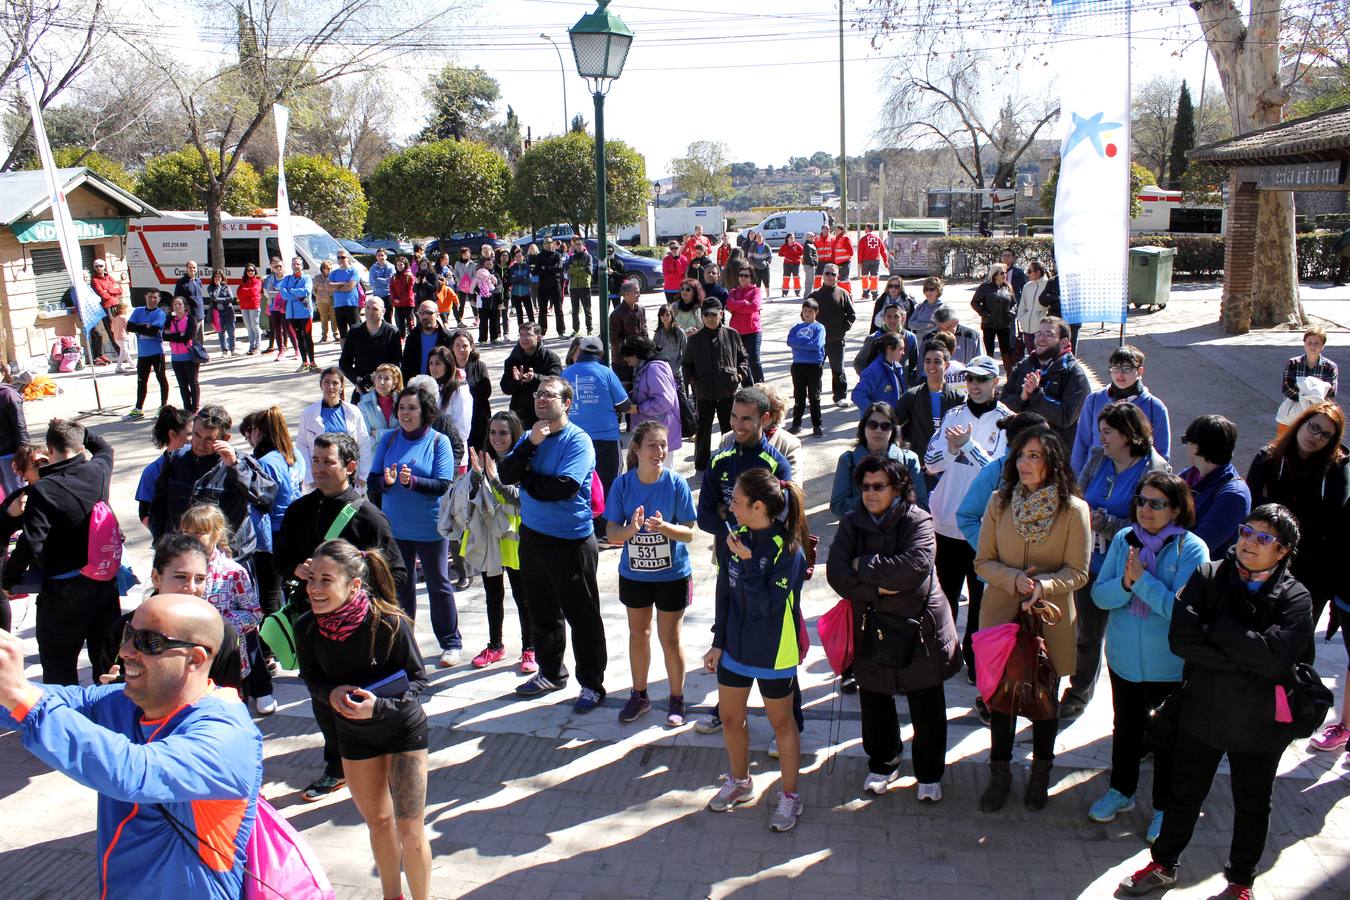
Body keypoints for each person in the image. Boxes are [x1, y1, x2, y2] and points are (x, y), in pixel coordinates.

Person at [0, 592, 263, 899]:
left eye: (148, 641)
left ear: (195, 659)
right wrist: (11, 689)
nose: (124, 651)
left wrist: (21, 696)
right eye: (128, 634)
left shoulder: (228, 735)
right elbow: (45, 702)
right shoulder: (127, 702)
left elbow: (134, 772)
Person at [1117, 505, 1313, 900]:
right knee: (1183, 795)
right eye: (1246, 531)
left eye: (1264, 538)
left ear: (1284, 551)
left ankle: (1241, 882)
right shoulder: (1208, 576)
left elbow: (1278, 659)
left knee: (1253, 804)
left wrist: (1218, 628)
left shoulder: (1296, 598)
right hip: (1201, 711)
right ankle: (1162, 864)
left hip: (1260, 724)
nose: (1249, 542)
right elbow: (1183, 641)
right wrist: (1249, 653)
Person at [294, 540, 431, 900]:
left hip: (403, 732)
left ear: (354, 585)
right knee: (379, 822)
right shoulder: (307, 627)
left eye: (326, 580)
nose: (315, 589)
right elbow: (311, 677)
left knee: (411, 829)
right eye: (312, 579)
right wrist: (331, 693)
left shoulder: (387, 621)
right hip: (353, 736)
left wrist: (378, 707)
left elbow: (419, 681)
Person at [276, 431, 405, 801]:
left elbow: (395, 574)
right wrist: (296, 570)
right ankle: (336, 768)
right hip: (312, 626)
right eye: (315, 461)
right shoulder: (301, 510)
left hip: (357, 632)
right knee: (321, 697)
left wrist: (353, 590)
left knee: (357, 699)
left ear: (350, 467)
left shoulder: (368, 517)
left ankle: (374, 765)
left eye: (327, 461)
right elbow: (280, 559)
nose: (318, 469)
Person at [826, 455, 960, 800]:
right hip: (872, 626)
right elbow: (838, 574)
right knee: (874, 698)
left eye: (878, 486)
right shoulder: (852, 522)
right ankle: (883, 762)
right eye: (865, 486)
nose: (870, 493)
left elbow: (914, 569)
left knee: (926, 703)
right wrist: (879, 588)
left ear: (898, 488)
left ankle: (930, 774)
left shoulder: (919, 521)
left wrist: (864, 565)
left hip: (920, 629)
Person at [973, 428, 1091, 812]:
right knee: (1002, 701)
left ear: (1052, 462)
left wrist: (1043, 585)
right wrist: (1015, 580)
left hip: (1049, 619)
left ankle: (1041, 773)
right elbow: (983, 562)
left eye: (1036, 456)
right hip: (1002, 616)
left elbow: (1078, 572)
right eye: (1021, 455)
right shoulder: (998, 502)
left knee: (1044, 699)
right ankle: (999, 774)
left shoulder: (1074, 510)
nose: (1025, 463)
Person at [1089, 472, 1207, 841]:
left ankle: (1164, 807)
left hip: (1168, 667)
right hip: (1123, 661)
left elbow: (1181, 611)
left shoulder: (1191, 550)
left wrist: (1141, 582)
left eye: (1157, 503)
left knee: (1166, 740)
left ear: (1175, 509)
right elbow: (1100, 595)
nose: (1146, 510)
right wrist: (1125, 584)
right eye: (1141, 501)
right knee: (1125, 729)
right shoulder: (1125, 540)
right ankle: (1120, 791)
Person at [702, 468, 810, 832]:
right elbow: (725, 593)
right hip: (735, 646)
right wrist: (719, 641)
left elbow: (767, 607)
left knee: (782, 724)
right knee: (731, 719)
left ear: (758, 505)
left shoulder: (789, 550)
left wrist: (748, 561)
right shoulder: (734, 538)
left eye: (736, 500)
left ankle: (790, 797)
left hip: (773, 650)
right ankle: (740, 781)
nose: (729, 505)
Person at [498, 376, 607, 712]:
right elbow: (505, 473)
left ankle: (591, 684)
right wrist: (529, 445)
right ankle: (550, 672)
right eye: (538, 394)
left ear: (567, 403)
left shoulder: (578, 441)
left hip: (571, 542)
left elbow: (563, 487)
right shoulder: (533, 436)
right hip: (532, 536)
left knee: (583, 616)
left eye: (549, 394)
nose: (541, 399)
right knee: (542, 610)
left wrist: (527, 479)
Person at [1062, 401, 1171, 719]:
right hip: (1090, 563)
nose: (1101, 439)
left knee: (1130, 637)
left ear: (1128, 434)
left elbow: (1154, 525)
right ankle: (1079, 692)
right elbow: (1078, 497)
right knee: (1086, 633)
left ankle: (1142, 707)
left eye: (1107, 433)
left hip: (1133, 568)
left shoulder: (1154, 469)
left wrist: (1106, 522)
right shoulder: (1098, 458)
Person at [1, 420, 117, 685]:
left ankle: (67, 720)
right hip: (103, 585)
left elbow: (31, 543)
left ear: (50, 449)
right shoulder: (97, 471)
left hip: (64, 591)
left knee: (59, 665)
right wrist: (82, 431)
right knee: (105, 659)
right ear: (78, 446)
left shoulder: (44, 489)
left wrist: (9, 579)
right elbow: (104, 449)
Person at [604, 421, 697, 725]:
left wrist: (665, 528)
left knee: (670, 638)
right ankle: (639, 695)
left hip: (672, 575)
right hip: (635, 575)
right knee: (638, 634)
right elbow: (611, 531)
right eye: (652, 445)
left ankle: (676, 699)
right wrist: (631, 529)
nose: (659, 451)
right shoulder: (622, 484)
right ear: (636, 448)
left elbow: (688, 533)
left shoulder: (675, 483)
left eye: (663, 444)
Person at [925, 355, 1011, 681]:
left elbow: (998, 474)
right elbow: (931, 462)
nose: (975, 386)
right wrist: (951, 448)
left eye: (983, 380)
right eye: (971, 379)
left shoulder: (1006, 421)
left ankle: (976, 661)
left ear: (995, 383)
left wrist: (968, 445)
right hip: (945, 523)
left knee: (980, 602)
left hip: (982, 530)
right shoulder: (953, 415)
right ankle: (943, 657)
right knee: (944, 598)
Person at [369, 385, 460, 667]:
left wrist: (414, 482)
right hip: (395, 528)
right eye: (402, 408)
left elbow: (443, 484)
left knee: (438, 584)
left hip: (430, 527)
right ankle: (404, 643)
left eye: (412, 408)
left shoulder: (438, 441)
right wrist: (387, 481)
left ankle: (451, 643)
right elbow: (373, 481)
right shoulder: (388, 439)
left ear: (425, 411)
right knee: (401, 587)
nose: (405, 413)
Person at [1246, 401, 1349, 634]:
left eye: (1325, 435)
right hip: (1265, 561)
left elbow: (1335, 525)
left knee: (1294, 644)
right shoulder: (1269, 458)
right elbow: (1251, 509)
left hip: (1311, 573)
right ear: (1301, 422)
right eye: (1314, 427)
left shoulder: (1336, 468)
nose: (1316, 437)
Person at [150, 405, 278, 561]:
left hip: (228, 559)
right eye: (196, 435)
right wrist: (161, 544)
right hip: (181, 554)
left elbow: (265, 497)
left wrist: (236, 466)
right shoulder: (176, 459)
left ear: (226, 439)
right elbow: (158, 507)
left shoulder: (239, 462)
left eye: (209, 439)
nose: (200, 444)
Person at [179, 503, 273, 712]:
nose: (190, 538)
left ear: (216, 534)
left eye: (198, 533)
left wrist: (221, 624)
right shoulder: (177, 569)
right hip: (187, 662)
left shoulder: (232, 572)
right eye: (185, 532)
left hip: (228, 662)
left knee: (227, 714)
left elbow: (254, 613)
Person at [463, 413, 536, 673]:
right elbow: (470, 498)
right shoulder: (485, 459)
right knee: (493, 594)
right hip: (488, 536)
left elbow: (521, 499)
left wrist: (494, 479)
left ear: (514, 434)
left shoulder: (523, 461)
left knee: (523, 595)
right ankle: (495, 645)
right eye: (493, 432)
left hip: (515, 536)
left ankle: (530, 648)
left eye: (503, 433)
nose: (497, 438)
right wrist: (474, 476)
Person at [238, 406, 300, 628]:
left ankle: (269, 651)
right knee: (289, 590)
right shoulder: (293, 455)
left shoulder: (265, 463)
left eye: (251, 430)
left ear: (260, 432)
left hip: (272, 533)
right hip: (293, 528)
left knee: (269, 596)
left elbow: (263, 500)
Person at [955, 411, 1052, 551]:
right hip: (1000, 571)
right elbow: (966, 516)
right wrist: (993, 551)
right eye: (1044, 436)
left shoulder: (1053, 471)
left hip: (1042, 568)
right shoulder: (994, 472)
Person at [1071, 344, 1172, 471]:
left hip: (1135, 480)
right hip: (1096, 477)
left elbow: (1162, 454)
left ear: (1140, 371)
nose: (1119, 374)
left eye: (1126, 368)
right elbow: (1082, 443)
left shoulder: (1155, 407)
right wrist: (1077, 482)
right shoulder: (1094, 400)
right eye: (1115, 368)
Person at [562, 336, 630, 521]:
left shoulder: (566, 374)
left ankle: (586, 523)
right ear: (600, 353)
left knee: (581, 481)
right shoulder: (606, 373)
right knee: (610, 483)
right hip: (606, 437)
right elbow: (624, 404)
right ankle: (608, 527)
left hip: (576, 439)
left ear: (581, 351)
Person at [1002, 315, 1091, 453]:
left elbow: (1066, 418)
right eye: (1039, 333)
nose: (1041, 338)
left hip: (1056, 455)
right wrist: (1022, 397)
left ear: (1063, 342)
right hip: (1020, 451)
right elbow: (1002, 407)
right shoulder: (1024, 366)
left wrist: (1036, 394)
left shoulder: (1074, 374)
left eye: (1049, 334)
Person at [831, 400, 928, 516]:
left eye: (885, 426)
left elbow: (922, 505)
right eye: (873, 425)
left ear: (893, 431)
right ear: (863, 427)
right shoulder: (848, 461)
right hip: (861, 530)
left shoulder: (909, 459)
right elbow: (838, 506)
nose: (878, 430)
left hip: (900, 530)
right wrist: (876, 501)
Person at [683, 300, 748, 472]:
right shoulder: (695, 340)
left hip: (727, 390)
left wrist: (739, 375)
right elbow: (687, 364)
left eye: (714, 314)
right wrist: (693, 381)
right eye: (707, 314)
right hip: (704, 392)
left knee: (730, 429)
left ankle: (731, 461)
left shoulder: (732, 334)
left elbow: (743, 359)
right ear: (702, 316)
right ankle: (702, 464)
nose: (711, 318)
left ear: (721, 314)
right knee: (703, 430)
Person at [1178, 414, 1251, 560]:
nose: (1185, 446)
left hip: (1202, 573)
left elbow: (1200, 544)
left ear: (1197, 447)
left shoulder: (1234, 495)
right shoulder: (1188, 475)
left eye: (1186, 440)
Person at [894, 341, 963, 487]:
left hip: (949, 468)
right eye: (928, 361)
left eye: (937, 361)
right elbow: (893, 423)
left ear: (947, 365)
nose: (931, 366)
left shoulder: (959, 398)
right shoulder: (912, 396)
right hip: (920, 468)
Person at [297, 367, 373, 493]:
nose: (330, 387)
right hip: (321, 478)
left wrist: (364, 475)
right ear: (321, 385)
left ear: (342, 386)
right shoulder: (309, 414)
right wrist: (310, 478)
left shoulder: (353, 411)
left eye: (335, 383)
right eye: (326, 382)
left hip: (349, 476)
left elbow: (364, 444)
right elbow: (302, 447)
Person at [623, 336, 682, 465]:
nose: (629, 363)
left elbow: (665, 401)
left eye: (629, 360)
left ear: (637, 354)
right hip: (652, 432)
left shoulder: (654, 368)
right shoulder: (646, 367)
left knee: (661, 475)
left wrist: (638, 408)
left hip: (659, 432)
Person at [808, 264, 857, 408]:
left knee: (838, 369)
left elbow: (852, 315)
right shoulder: (814, 295)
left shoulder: (843, 294)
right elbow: (805, 315)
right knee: (815, 370)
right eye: (827, 273)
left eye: (833, 274)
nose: (830, 276)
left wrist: (843, 328)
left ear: (837, 276)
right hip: (817, 342)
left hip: (836, 340)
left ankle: (840, 396)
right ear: (823, 275)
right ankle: (813, 397)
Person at [134, 406, 191, 529]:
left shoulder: (206, 462)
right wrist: (166, 536)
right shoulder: (153, 471)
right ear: (172, 434)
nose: (197, 439)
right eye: (191, 434)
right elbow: (144, 514)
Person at [1277, 325, 1339, 438]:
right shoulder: (1293, 363)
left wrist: (1311, 404)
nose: (1312, 347)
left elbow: (1331, 392)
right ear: (1304, 343)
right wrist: (1309, 399)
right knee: (1284, 442)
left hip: (1318, 413)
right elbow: (1286, 388)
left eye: (1317, 343)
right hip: (1291, 412)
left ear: (1322, 347)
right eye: (1309, 342)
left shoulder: (1330, 367)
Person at [339, 296, 403, 404]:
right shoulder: (355, 331)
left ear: (383, 311)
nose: (370, 312)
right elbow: (344, 363)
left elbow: (396, 363)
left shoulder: (392, 332)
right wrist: (357, 380)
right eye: (367, 308)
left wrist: (375, 378)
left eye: (375, 309)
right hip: (361, 387)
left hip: (385, 387)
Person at [500, 322, 563, 429]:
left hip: (546, 412)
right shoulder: (512, 360)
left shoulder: (550, 357)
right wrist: (517, 381)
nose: (524, 338)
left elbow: (557, 382)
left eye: (528, 335)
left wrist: (535, 378)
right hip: (520, 414)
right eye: (521, 335)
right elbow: (506, 389)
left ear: (538, 338)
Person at [122, 288, 169, 419]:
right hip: (143, 354)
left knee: (161, 378)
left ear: (159, 299)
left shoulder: (160, 314)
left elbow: (153, 331)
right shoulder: (138, 311)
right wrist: (146, 327)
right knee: (141, 381)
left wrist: (141, 327)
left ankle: (163, 406)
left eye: (155, 298)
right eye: (150, 297)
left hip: (157, 352)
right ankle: (138, 409)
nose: (153, 300)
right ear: (145, 297)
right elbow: (129, 327)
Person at [853, 300, 919, 388]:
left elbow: (914, 363)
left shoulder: (910, 338)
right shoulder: (873, 338)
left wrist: (910, 382)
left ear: (903, 318)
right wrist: (870, 378)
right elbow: (859, 363)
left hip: (903, 388)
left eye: (896, 317)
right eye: (889, 316)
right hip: (880, 388)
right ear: (883, 318)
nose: (892, 320)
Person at [786, 297, 826, 436]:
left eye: (810, 311)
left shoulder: (819, 327)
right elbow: (790, 342)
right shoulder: (796, 327)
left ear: (816, 312)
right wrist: (805, 340)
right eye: (805, 310)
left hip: (814, 366)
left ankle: (817, 425)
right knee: (799, 396)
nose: (807, 313)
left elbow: (817, 345)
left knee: (814, 397)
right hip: (798, 365)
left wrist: (800, 345)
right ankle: (796, 424)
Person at [970, 263, 1018, 375]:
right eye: (1002, 273)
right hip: (989, 325)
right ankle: (989, 377)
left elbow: (1014, 304)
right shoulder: (984, 288)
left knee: (1006, 353)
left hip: (1004, 325)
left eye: (1005, 273)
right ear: (994, 275)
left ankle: (1010, 379)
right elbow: (974, 302)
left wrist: (1010, 314)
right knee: (989, 353)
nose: (1004, 275)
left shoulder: (1008, 287)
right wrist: (985, 313)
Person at [450, 329, 492, 451]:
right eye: (457, 345)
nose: (461, 349)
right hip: (454, 418)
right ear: (452, 347)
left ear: (471, 347)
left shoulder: (479, 366)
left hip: (477, 418)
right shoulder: (447, 367)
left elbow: (485, 391)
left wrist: (461, 390)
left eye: (465, 346)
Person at [399, 300, 456, 384]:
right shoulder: (412, 338)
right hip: (417, 386)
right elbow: (405, 366)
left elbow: (453, 364)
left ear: (437, 315)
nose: (425, 316)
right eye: (421, 313)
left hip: (442, 385)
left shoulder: (447, 337)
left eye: (429, 313)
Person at [725, 266, 765, 384]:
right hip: (736, 333)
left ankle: (761, 388)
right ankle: (747, 389)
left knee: (754, 361)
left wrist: (737, 307)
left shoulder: (756, 291)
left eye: (746, 275)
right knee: (741, 363)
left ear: (751, 278)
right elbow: (729, 305)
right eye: (741, 275)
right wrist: (744, 303)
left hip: (753, 331)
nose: (743, 277)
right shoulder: (733, 291)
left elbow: (755, 306)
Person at [851, 332, 909, 411]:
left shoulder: (897, 367)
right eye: (901, 349)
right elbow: (857, 395)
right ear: (889, 349)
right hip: (880, 422)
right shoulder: (874, 370)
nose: (903, 353)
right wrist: (874, 413)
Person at [609, 280, 649, 393]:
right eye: (636, 292)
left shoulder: (641, 309)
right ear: (626, 294)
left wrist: (645, 345)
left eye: (639, 292)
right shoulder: (616, 314)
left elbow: (644, 328)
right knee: (625, 391)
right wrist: (631, 349)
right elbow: (614, 339)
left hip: (640, 358)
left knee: (641, 390)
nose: (639, 295)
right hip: (622, 362)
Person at [280, 256, 318, 372]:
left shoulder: (306, 278)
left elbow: (306, 291)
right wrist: (294, 294)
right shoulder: (287, 279)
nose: (296, 266)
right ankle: (304, 362)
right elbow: (283, 293)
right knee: (299, 338)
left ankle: (312, 362)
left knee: (307, 337)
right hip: (292, 314)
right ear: (291, 266)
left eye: (298, 264)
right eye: (294, 264)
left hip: (305, 313)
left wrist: (290, 291)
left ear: (302, 266)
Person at [163, 295, 201, 412]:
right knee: (182, 385)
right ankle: (187, 408)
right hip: (176, 358)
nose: (177, 306)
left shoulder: (190, 319)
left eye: (180, 304)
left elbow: (188, 337)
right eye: (175, 304)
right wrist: (178, 335)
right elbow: (164, 336)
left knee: (193, 383)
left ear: (185, 306)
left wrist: (173, 336)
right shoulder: (170, 320)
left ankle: (194, 408)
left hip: (189, 357)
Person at [0, 361, 29, 497]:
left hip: (10, 454)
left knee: (19, 494)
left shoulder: (8, 395)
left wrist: (23, 453)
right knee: (7, 496)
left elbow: (20, 426)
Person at [358, 363, 404, 447]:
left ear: (394, 384)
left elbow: (405, 430)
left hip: (400, 448)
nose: (381, 382)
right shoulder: (364, 403)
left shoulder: (402, 401)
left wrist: (377, 433)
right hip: (375, 452)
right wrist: (394, 433)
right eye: (379, 377)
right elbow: (365, 434)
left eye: (387, 379)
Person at [88, 258, 124, 365]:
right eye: (96, 266)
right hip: (106, 307)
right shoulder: (95, 280)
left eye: (101, 266)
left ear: (104, 266)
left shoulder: (109, 277)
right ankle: (120, 353)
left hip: (116, 305)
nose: (99, 268)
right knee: (112, 331)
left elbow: (120, 290)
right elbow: (102, 294)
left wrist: (108, 290)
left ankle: (124, 352)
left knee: (120, 330)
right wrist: (111, 291)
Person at [1014, 261, 1050, 359]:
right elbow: (1022, 305)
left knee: (1043, 356)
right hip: (1027, 328)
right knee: (1032, 356)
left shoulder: (1049, 285)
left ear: (1038, 272)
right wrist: (1022, 318)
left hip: (1041, 329)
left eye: (1030, 271)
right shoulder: (1027, 286)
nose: (1027, 273)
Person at [532, 238, 566, 336]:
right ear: (543, 244)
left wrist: (546, 268)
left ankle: (561, 331)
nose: (549, 244)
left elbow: (559, 268)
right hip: (542, 286)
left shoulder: (558, 255)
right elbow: (536, 271)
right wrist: (550, 269)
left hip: (555, 285)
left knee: (558, 309)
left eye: (550, 243)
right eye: (547, 243)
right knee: (542, 310)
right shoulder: (539, 256)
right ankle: (541, 332)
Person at [263, 257, 294, 358]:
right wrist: (277, 294)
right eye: (276, 267)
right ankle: (280, 351)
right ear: (273, 268)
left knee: (288, 328)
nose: (278, 268)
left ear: (284, 267)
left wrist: (279, 293)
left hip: (286, 306)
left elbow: (290, 291)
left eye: (280, 266)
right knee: (276, 330)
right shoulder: (270, 278)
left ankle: (296, 349)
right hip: (273, 306)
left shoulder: (288, 277)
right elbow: (266, 292)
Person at [565, 235, 594, 336]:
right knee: (575, 310)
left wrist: (575, 269)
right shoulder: (572, 257)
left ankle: (589, 329)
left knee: (587, 309)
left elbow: (589, 271)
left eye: (579, 244)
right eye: (576, 244)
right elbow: (567, 270)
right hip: (573, 287)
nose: (578, 246)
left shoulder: (588, 257)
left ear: (583, 245)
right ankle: (576, 330)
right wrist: (581, 268)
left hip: (585, 286)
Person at [652, 303, 687, 383]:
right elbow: (654, 351)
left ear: (672, 315)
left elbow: (686, 352)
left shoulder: (680, 332)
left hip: (676, 373)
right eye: (662, 315)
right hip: (663, 372)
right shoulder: (658, 333)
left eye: (667, 315)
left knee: (681, 395)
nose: (665, 318)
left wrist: (679, 365)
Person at [856, 223, 889, 302]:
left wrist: (860, 262)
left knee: (865, 277)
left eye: (865, 228)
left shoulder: (863, 239)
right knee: (874, 277)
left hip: (865, 261)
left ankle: (865, 293)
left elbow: (860, 251)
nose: (864, 229)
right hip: (875, 260)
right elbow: (883, 250)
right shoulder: (877, 238)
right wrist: (885, 261)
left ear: (867, 228)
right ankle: (874, 294)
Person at [236, 262, 263, 354]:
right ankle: (251, 346)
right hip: (244, 306)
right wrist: (245, 292)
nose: (250, 272)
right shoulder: (243, 281)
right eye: (248, 270)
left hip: (254, 306)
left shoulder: (258, 281)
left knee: (255, 326)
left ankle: (258, 346)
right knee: (248, 327)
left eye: (252, 270)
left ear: (255, 271)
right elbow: (238, 292)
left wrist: (244, 291)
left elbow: (254, 291)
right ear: (246, 272)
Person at [908, 276, 945, 341]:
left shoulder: (942, 308)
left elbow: (941, 327)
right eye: (926, 289)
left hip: (935, 342)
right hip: (919, 342)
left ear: (938, 291)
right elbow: (910, 324)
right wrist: (927, 325)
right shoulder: (920, 306)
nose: (928, 292)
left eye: (931, 289)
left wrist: (918, 325)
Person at [173, 259, 206, 333]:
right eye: (190, 267)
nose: (192, 269)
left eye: (194, 267)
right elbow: (177, 299)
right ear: (187, 269)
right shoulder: (181, 282)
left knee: (201, 341)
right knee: (192, 340)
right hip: (190, 316)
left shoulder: (198, 281)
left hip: (201, 316)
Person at [507, 247, 534, 330]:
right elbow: (511, 280)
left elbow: (529, 280)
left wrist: (518, 279)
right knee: (519, 313)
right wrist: (522, 278)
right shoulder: (512, 268)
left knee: (530, 312)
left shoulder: (527, 267)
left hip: (526, 293)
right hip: (515, 294)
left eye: (520, 256)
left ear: (523, 257)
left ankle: (533, 329)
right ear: (514, 257)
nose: (518, 258)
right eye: (517, 256)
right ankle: (521, 330)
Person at [390, 255, 417, 336]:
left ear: (405, 265)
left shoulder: (409, 276)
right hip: (397, 304)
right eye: (398, 265)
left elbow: (410, 291)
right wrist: (394, 298)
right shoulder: (394, 276)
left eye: (401, 264)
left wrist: (401, 300)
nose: (399, 267)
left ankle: (413, 337)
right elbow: (391, 288)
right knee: (399, 322)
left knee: (410, 322)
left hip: (408, 303)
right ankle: (401, 337)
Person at [312, 259, 337, 343]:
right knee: (323, 319)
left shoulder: (333, 277)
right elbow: (314, 290)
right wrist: (320, 295)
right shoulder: (317, 278)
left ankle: (336, 334)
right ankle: (324, 336)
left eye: (330, 268)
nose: (329, 270)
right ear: (323, 269)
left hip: (333, 300)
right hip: (321, 301)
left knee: (334, 318)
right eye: (327, 268)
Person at [746, 231, 773, 299]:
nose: (759, 238)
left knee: (766, 283)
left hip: (765, 268)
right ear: (756, 238)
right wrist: (754, 264)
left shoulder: (767, 246)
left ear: (763, 238)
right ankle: (757, 297)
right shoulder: (753, 246)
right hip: (756, 268)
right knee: (757, 284)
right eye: (758, 237)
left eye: (760, 237)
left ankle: (768, 297)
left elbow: (770, 257)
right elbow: (750, 256)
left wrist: (767, 263)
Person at [662, 240, 689, 304]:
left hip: (681, 289)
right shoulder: (666, 259)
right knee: (671, 310)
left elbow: (682, 272)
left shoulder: (684, 258)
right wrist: (678, 274)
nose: (674, 250)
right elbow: (666, 274)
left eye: (676, 248)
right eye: (672, 248)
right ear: (670, 249)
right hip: (669, 289)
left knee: (681, 310)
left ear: (679, 247)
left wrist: (677, 260)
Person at [777, 232, 804, 297]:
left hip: (795, 263)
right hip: (787, 263)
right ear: (787, 239)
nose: (792, 239)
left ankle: (797, 292)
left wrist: (797, 253)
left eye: (793, 237)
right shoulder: (785, 246)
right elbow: (780, 254)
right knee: (786, 278)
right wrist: (786, 255)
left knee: (796, 277)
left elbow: (802, 252)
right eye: (791, 237)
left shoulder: (797, 245)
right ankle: (784, 292)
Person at [832, 224, 854, 293]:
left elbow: (851, 252)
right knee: (838, 279)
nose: (836, 231)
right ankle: (840, 294)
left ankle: (848, 294)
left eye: (838, 230)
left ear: (842, 230)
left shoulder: (845, 238)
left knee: (844, 279)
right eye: (836, 229)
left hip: (845, 262)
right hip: (837, 263)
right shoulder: (836, 238)